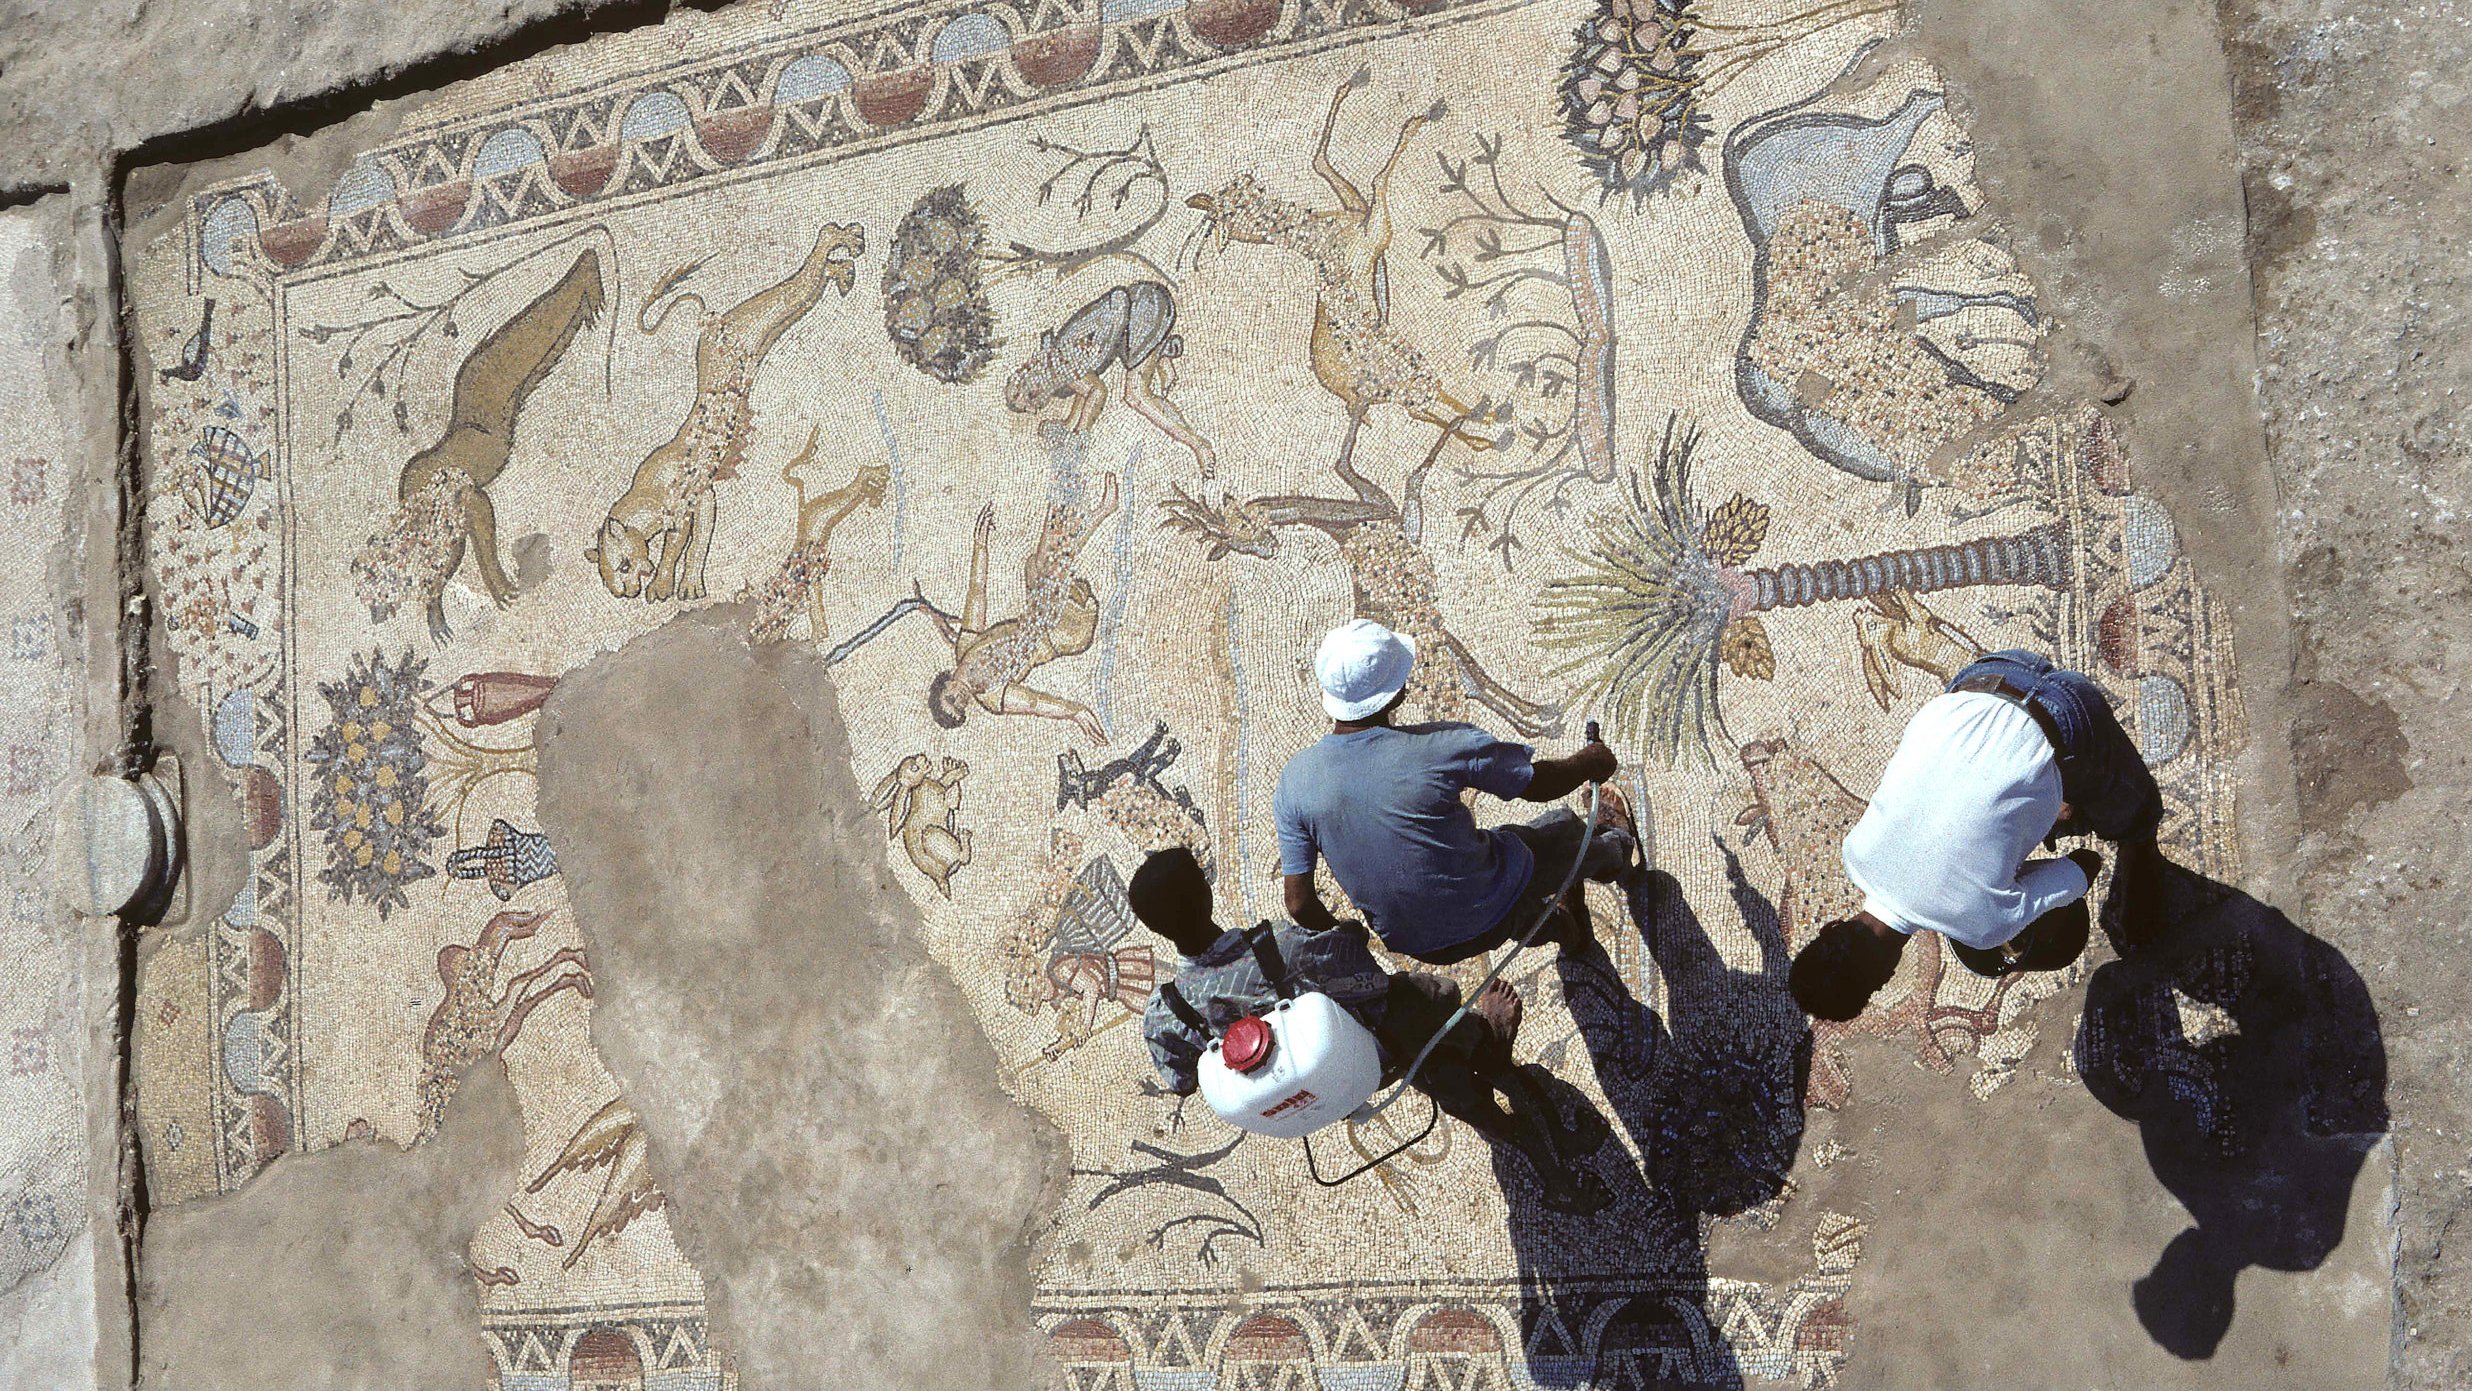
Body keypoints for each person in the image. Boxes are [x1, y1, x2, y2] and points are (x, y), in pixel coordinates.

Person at [1129, 847, 1609, 1213]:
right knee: (1422, 997)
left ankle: (1494, 1117)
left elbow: (1183, 1080)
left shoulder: (1165, 1012)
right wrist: (1348, 935)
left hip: (1325, 1083)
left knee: (1405, 1039)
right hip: (1378, 1044)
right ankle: (1490, 1054)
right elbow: (1368, 981)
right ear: (1206, 893)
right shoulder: (1280, 946)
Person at [1789, 649, 2165, 1022]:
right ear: (1830, 928)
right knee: (2039, 806)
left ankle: (2141, 846)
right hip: (1988, 675)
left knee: (2129, 813)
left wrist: (2015, 895)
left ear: (1886, 976)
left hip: (2069, 714)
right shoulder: (1854, 853)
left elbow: (2085, 863)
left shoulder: (1983, 926)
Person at [1275, 619, 1638, 966]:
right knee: (1563, 831)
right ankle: (1617, 854)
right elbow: (1536, 784)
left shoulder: (1294, 782)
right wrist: (1590, 763)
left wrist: (1343, 934)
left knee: (1507, 915)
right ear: (1397, 693)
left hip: (1420, 944)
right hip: (1488, 901)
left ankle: (1569, 935)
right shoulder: (1441, 747)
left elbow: (1298, 903)